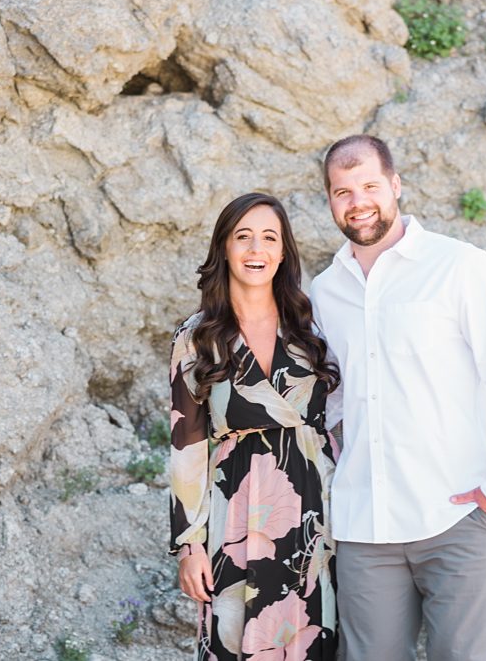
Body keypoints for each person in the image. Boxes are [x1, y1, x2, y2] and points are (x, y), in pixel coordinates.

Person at [309, 135, 486, 661]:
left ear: (395, 186)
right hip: (364, 527)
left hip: (458, 516)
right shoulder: (326, 291)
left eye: (369, 185)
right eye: (342, 191)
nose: (358, 201)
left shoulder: (460, 267)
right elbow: (334, 398)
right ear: (329, 200)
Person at [169, 192, 342, 660]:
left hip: (315, 511)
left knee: (311, 639)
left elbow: (344, 421)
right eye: (242, 237)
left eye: (269, 238)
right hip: (235, 517)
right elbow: (186, 444)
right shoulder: (198, 336)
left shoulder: (313, 327)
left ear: (283, 252)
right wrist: (188, 545)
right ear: (224, 247)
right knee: (238, 640)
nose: (255, 249)